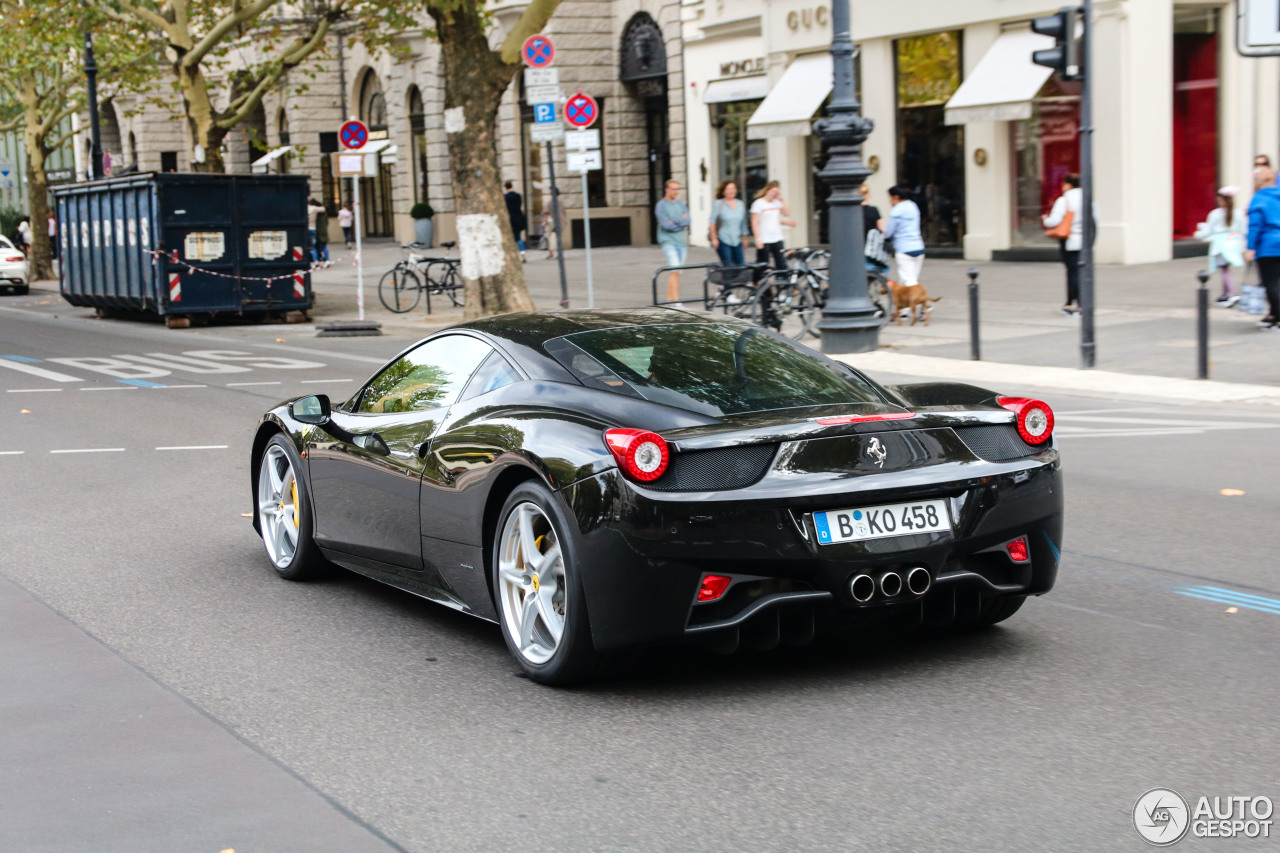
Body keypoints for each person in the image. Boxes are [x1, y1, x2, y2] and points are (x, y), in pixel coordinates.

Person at [1042, 175, 1087, 315]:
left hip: (1069, 241)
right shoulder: (1087, 198)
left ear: (1068, 185)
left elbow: (1054, 221)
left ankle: (1076, 305)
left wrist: (1045, 220)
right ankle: (1074, 304)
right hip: (1084, 242)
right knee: (1081, 273)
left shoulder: (1064, 200)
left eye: (1063, 184)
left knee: (1072, 273)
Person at [1194, 187, 1245, 307]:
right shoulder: (1238, 214)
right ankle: (1224, 295)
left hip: (1220, 245)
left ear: (1220, 198)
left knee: (1224, 270)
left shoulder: (1215, 214)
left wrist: (1197, 235)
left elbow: (1209, 231)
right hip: (1233, 244)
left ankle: (1232, 292)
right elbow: (1242, 230)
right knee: (1225, 268)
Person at [1246, 161, 1280, 330]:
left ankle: (1278, 317)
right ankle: (1273, 314)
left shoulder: (1259, 198)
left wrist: (1250, 247)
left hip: (1268, 246)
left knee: (1271, 283)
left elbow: (1255, 226)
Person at [879, 185, 925, 292]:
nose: (889, 201)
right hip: (918, 246)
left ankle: (921, 304)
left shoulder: (897, 211)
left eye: (890, 198)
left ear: (896, 197)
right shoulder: (913, 206)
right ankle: (906, 307)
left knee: (909, 281)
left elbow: (889, 232)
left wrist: (883, 233)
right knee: (910, 279)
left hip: (904, 248)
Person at [654, 178, 690, 302]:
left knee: (677, 272)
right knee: (674, 268)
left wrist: (674, 221)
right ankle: (675, 300)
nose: (676, 192)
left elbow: (688, 221)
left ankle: (671, 299)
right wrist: (680, 222)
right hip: (668, 241)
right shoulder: (661, 205)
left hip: (681, 241)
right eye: (673, 189)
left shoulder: (681, 204)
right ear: (667, 190)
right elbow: (666, 225)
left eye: (677, 189)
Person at [750, 181, 794, 269]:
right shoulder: (759, 203)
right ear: (767, 190)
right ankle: (756, 281)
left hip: (777, 237)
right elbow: (754, 222)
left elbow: (786, 213)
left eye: (777, 192)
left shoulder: (776, 203)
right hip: (764, 238)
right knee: (763, 262)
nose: (774, 194)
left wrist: (782, 200)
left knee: (781, 262)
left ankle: (782, 279)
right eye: (773, 191)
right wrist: (757, 239)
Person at [708, 179, 747, 266]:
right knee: (728, 266)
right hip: (723, 240)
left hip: (737, 240)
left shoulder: (740, 204)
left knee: (741, 265)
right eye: (729, 189)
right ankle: (728, 279)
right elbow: (712, 222)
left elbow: (743, 222)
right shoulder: (718, 204)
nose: (731, 191)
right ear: (723, 191)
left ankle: (737, 280)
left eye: (733, 188)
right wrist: (714, 238)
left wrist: (745, 238)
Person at [504, 181, 528, 263]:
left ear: (505, 188)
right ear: (512, 186)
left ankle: (514, 255)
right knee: (518, 237)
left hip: (511, 218)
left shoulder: (505, 197)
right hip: (519, 217)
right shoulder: (518, 196)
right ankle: (523, 253)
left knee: (515, 238)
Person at [306, 198, 328, 265]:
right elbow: (323, 209)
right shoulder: (314, 208)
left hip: (306, 229)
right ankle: (324, 260)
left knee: (310, 247)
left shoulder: (304, 208)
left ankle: (315, 261)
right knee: (314, 246)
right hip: (313, 229)